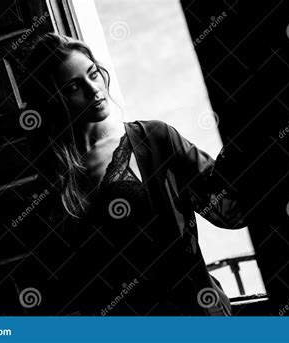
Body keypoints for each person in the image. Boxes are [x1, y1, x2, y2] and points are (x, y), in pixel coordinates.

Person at [22, 32, 246, 316]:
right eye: (74, 86)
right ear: (54, 100)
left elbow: (229, 211)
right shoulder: (53, 178)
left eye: (93, 74)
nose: (94, 90)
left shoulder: (154, 138)